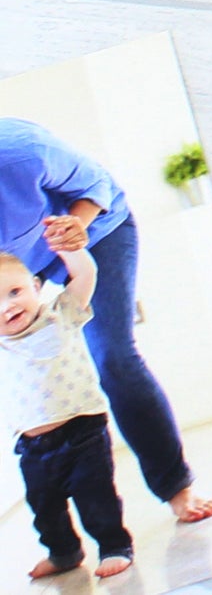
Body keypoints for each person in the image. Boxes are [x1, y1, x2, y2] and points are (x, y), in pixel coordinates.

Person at [0, 122, 212, 528]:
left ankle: (177, 488)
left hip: (95, 232)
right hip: (17, 273)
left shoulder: (21, 150)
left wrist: (77, 226)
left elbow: (94, 186)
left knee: (112, 356)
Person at [0, 243, 133, 580]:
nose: (7, 306)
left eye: (14, 292)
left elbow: (86, 274)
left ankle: (114, 546)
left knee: (96, 496)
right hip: (32, 446)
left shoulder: (61, 314)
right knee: (43, 506)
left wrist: (69, 248)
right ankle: (63, 553)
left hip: (82, 431)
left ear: (35, 286)